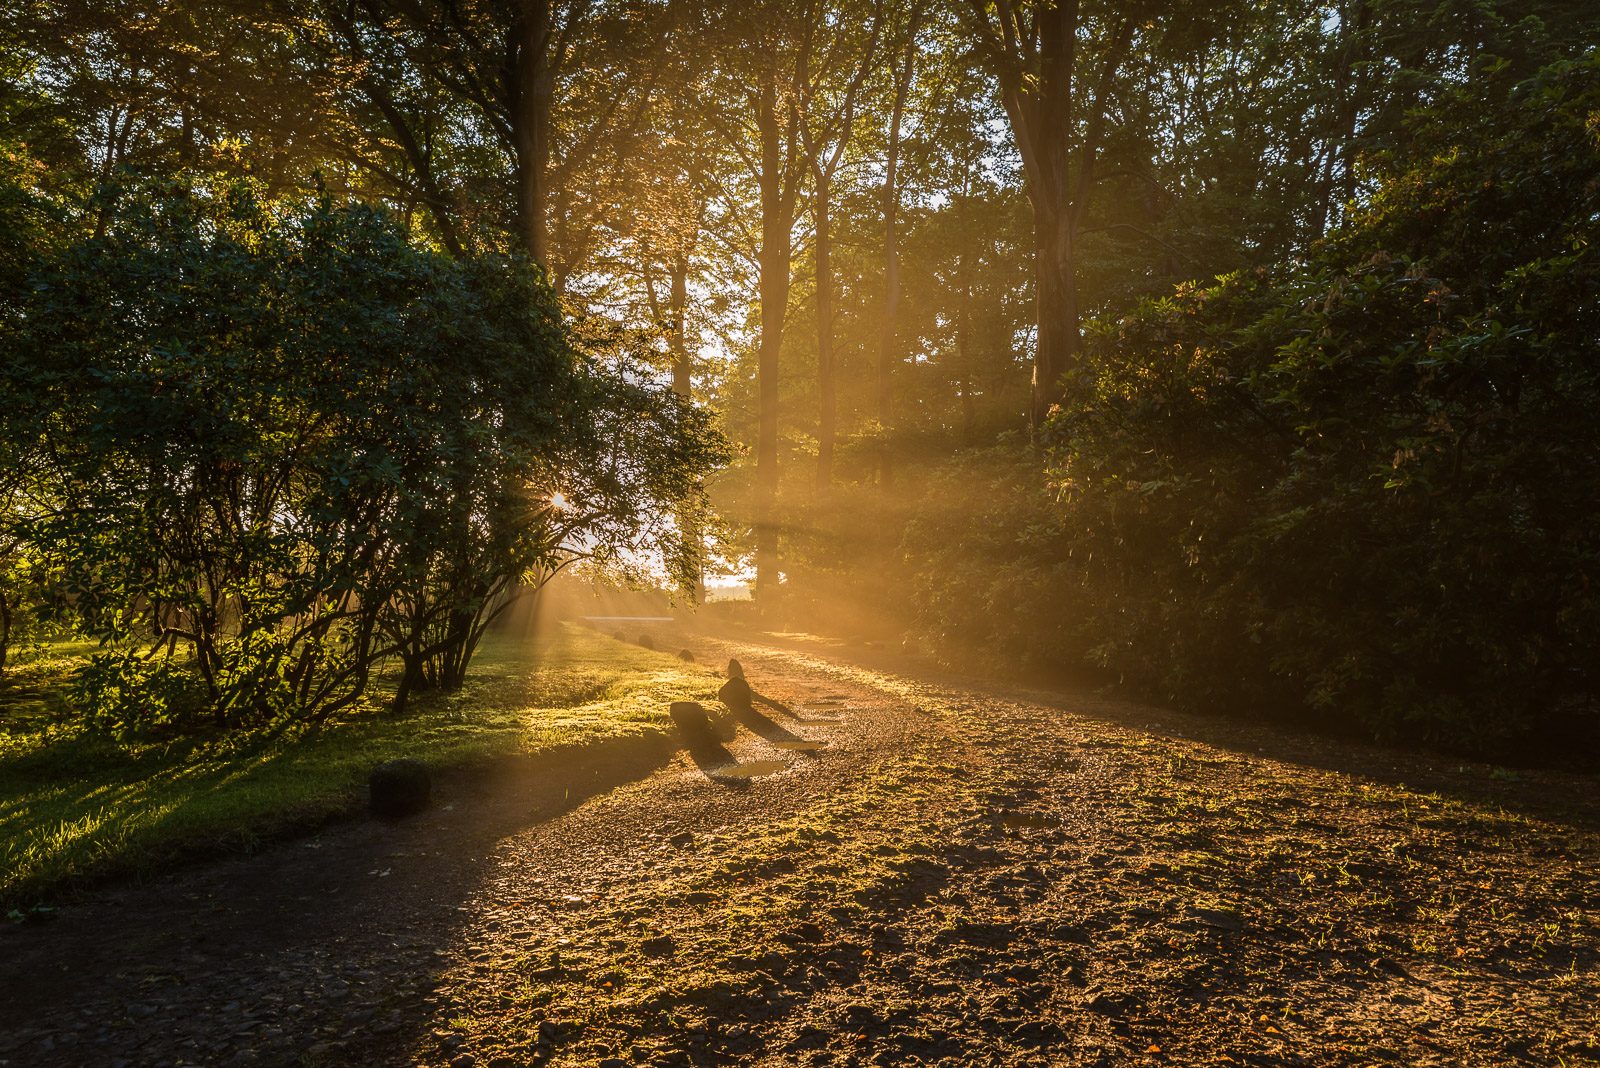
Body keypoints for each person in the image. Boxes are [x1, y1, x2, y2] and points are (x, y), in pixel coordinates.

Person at [717, 659, 795, 719]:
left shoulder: (731, 684)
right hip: (745, 707)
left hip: (740, 709)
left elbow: (721, 694)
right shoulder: (743, 684)